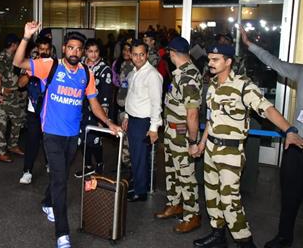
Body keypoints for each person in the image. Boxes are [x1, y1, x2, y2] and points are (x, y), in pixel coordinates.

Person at [13, 21, 122, 248]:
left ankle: (47, 201)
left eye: (78, 49)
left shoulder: (86, 73)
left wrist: (109, 122)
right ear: (64, 49)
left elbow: (93, 104)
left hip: (73, 135)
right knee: (61, 180)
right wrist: (26, 38)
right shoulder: (49, 65)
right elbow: (18, 62)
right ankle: (62, 234)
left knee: (59, 174)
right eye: (70, 47)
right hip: (51, 133)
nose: (74, 52)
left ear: (82, 52)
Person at [192, 44, 302, 248]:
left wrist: (289, 130)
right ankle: (218, 236)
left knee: (230, 201)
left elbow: (267, 109)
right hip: (210, 151)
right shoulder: (213, 85)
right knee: (211, 196)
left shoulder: (243, 85)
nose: (210, 63)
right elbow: (211, 120)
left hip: (231, 153)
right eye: (209, 59)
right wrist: (201, 143)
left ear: (228, 62)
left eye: (215, 59)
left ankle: (245, 242)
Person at [240, 28, 303, 248]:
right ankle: (284, 236)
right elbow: (273, 62)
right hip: (296, 146)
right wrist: (249, 44)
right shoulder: (301, 72)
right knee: (290, 195)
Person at [154, 37, 202, 233]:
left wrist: (193, 142)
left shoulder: (188, 76)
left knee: (185, 174)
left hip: (182, 134)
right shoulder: (181, 73)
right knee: (173, 171)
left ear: (173, 54)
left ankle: (192, 215)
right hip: (172, 131)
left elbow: (192, 114)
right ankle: (175, 204)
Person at [122, 39, 163, 202]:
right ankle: (139, 185)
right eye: (135, 54)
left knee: (140, 158)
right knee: (135, 156)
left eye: (141, 55)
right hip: (132, 119)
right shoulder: (133, 72)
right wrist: (126, 116)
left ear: (146, 55)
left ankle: (141, 191)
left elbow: (156, 104)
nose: (138, 58)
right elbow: (130, 96)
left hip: (143, 122)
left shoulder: (153, 75)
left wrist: (154, 128)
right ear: (130, 55)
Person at [74, 38, 113, 178]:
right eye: (90, 51)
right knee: (82, 138)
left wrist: (103, 116)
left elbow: (107, 94)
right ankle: (88, 165)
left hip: (96, 110)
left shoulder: (104, 69)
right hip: (79, 109)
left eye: (96, 51)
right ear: (85, 51)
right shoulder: (80, 65)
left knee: (95, 140)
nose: (93, 54)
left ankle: (100, 163)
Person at [18, 36, 52, 184]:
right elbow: (20, 84)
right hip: (34, 109)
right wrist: (31, 71)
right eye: (41, 49)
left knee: (50, 140)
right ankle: (27, 171)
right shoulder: (29, 64)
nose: (44, 52)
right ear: (36, 49)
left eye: (46, 49)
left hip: (51, 110)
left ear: (50, 50)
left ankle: (50, 163)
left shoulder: (55, 64)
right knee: (32, 140)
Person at [0, 33, 26, 163]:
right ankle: (0, 151)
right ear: (13, 45)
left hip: (14, 96)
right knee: (2, 124)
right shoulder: (1, 58)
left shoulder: (16, 57)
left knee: (18, 120)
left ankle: (13, 145)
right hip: (4, 96)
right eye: (17, 44)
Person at [112, 40, 133, 168]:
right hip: (120, 103)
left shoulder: (135, 67)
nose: (126, 53)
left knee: (128, 137)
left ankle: (128, 163)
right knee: (121, 134)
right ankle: (123, 160)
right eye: (124, 50)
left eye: (129, 50)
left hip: (129, 107)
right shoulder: (119, 64)